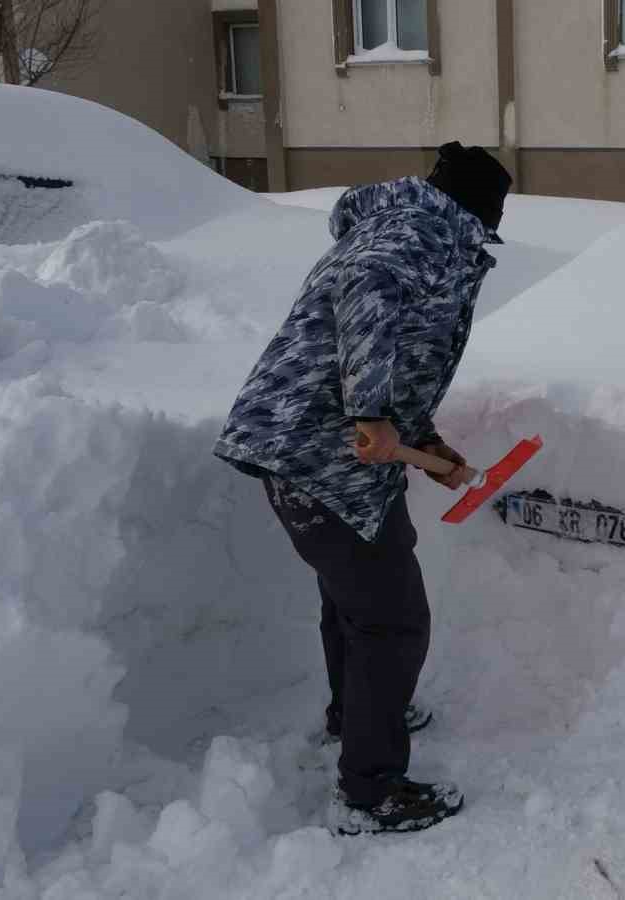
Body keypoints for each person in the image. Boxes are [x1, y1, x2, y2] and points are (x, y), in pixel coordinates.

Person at [213, 142, 512, 835]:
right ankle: (370, 791)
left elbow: (403, 349)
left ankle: (355, 716)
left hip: (323, 447)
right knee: (393, 621)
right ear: (477, 214)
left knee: (358, 596)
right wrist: (370, 412)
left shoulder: (406, 221)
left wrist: (427, 444)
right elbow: (369, 292)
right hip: (320, 446)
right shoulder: (419, 231)